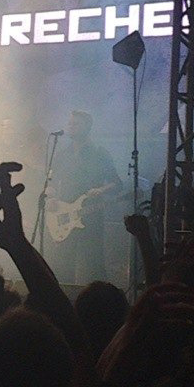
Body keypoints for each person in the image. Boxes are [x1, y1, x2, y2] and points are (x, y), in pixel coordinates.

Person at [48, 110, 121, 285]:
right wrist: (50, 196)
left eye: (76, 124)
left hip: (91, 215)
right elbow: (51, 181)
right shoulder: (62, 154)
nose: (70, 127)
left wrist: (101, 190)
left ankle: (99, 297)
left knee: (94, 262)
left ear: (87, 127)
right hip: (64, 215)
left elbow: (117, 183)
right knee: (63, 264)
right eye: (70, 123)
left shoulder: (99, 153)